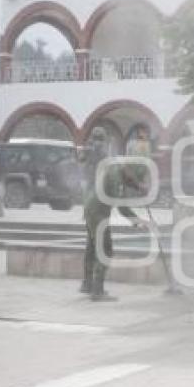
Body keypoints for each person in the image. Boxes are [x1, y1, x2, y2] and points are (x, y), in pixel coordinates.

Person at [80, 127, 147, 302]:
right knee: (106, 248)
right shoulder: (116, 173)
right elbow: (121, 205)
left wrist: (138, 187)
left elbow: (129, 178)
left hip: (88, 206)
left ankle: (87, 284)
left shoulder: (115, 166)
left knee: (92, 247)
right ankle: (97, 291)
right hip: (97, 212)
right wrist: (136, 220)